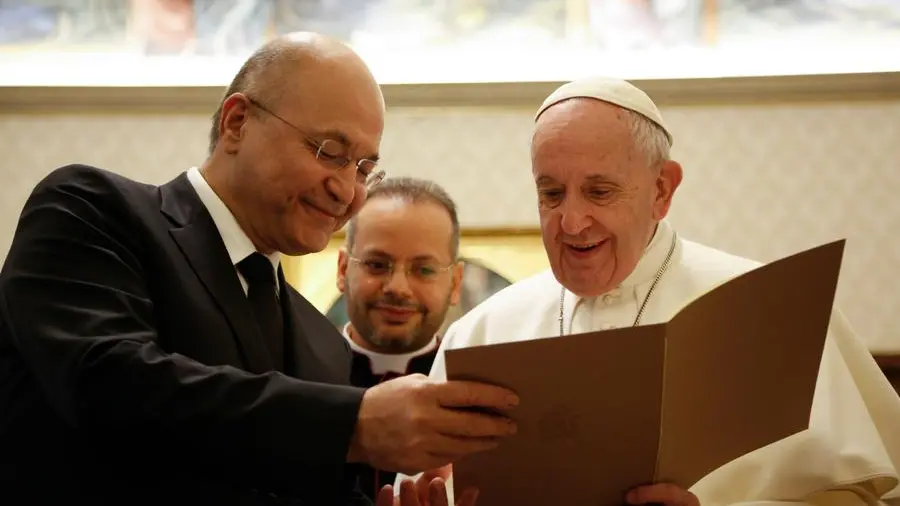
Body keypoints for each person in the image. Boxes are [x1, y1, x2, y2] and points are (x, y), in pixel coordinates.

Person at [0, 33, 518, 506]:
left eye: (363, 168)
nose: (347, 189)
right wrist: (353, 423)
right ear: (237, 122)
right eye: (330, 151)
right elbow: (111, 385)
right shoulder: (91, 210)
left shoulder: (322, 342)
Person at [396, 77, 900, 506]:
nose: (571, 221)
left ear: (662, 190)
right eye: (551, 193)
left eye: (599, 191)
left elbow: (858, 498)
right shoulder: (483, 332)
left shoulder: (774, 311)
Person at [336, 176, 465, 501]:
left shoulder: (475, 390)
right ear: (342, 270)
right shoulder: (293, 370)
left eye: (424, 270)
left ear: (455, 283)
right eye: (377, 265)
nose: (397, 288)